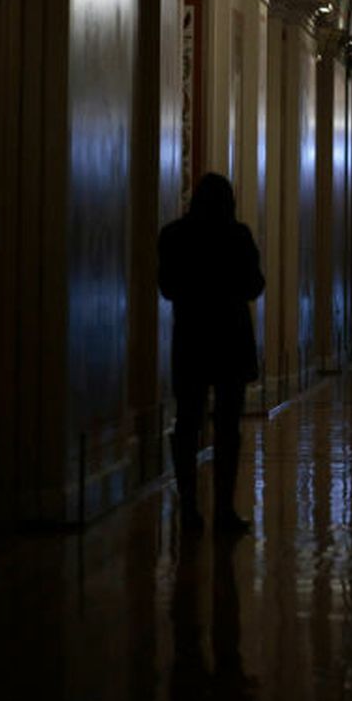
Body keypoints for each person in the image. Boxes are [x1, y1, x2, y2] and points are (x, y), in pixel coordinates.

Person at [158, 173, 263, 533]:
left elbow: (167, 287)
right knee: (228, 426)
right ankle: (223, 510)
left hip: (190, 340)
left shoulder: (173, 235)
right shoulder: (238, 236)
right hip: (230, 341)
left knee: (187, 423)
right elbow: (255, 286)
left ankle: (188, 509)